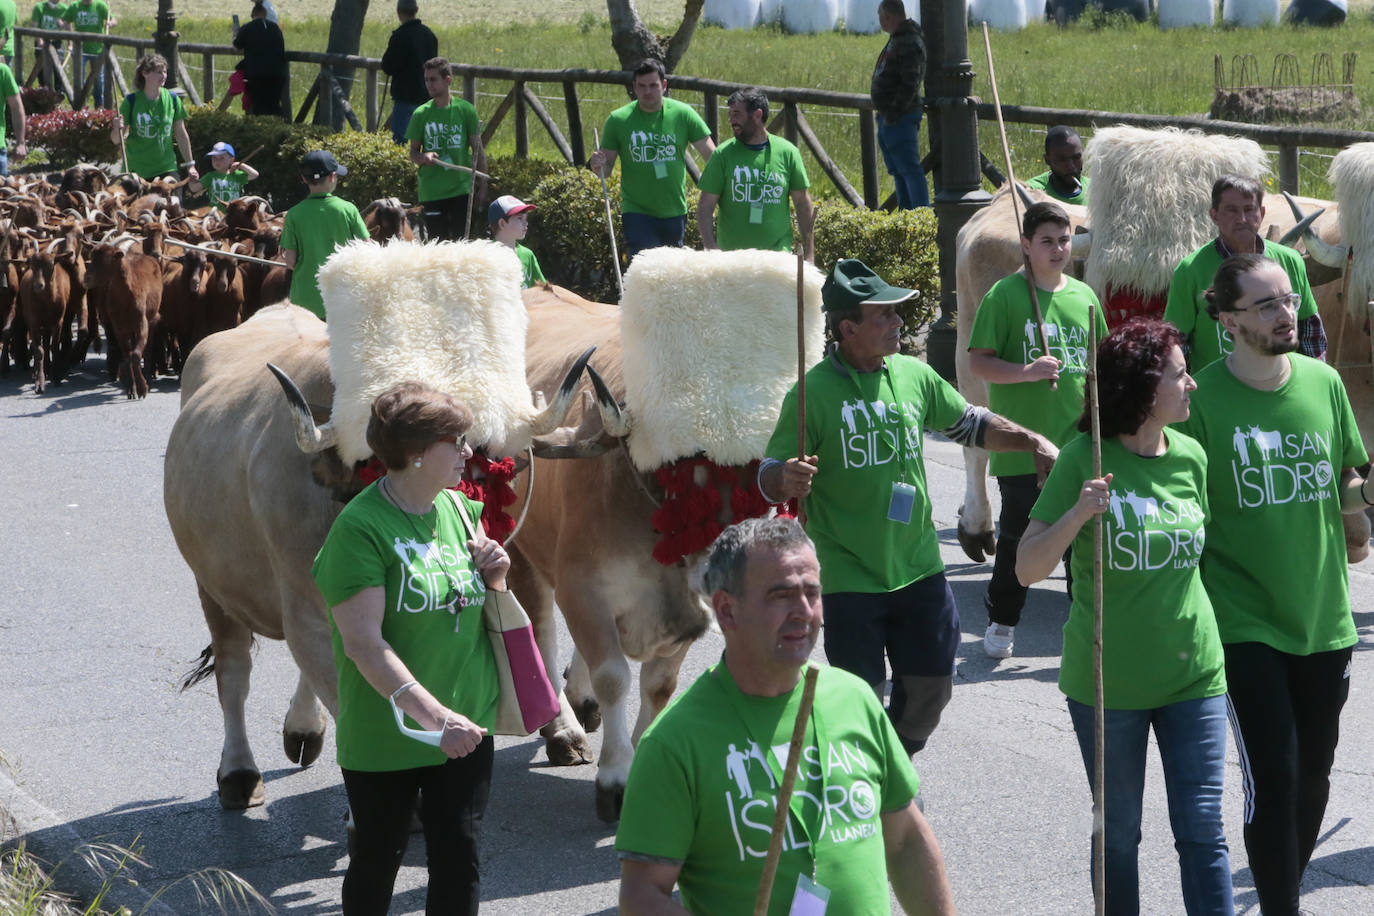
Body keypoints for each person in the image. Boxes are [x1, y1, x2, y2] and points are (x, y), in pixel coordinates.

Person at [759, 259, 1057, 755]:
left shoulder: (914, 374)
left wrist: (1035, 442)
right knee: (862, 698)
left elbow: (972, 424)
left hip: (919, 566)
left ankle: (890, 765)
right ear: (848, 327)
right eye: (886, 315)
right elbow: (768, 475)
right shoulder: (812, 394)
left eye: (899, 313)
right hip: (849, 574)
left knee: (934, 688)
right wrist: (783, 476)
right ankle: (868, 789)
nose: (900, 322)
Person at [616, 516, 957, 916]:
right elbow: (643, 898)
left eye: (811, 593)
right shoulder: (673, 743)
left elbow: (904, 840)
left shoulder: (854, 699)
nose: (803, 611)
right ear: (726, 610)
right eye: (780, 595)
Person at [1016, 318, 1232, 916]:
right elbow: (1026, 570)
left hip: (1196, 676)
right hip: (1108, 687)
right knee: (1118, 837)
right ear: (1142, 387)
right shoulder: (1083, 462)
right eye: (1179, 374)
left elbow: (1204, 561)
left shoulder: (1191, 456)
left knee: (1204, 831)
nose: (1192, 384)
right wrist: (1078, 515)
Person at [1176, 253, 1368, 916]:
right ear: (1227, 319)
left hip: (1324, 615)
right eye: (1266, 305)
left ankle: (1280, 881)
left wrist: (1362, 501)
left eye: (1288, 300)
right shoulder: (1197, 401)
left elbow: (1346, 475)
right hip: (1241, 619)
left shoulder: (1323, 382)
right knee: (1277, 778)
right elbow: (1180, 504)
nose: (1287, 314)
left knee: (1314, 778)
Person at [312, 381, 506, 916]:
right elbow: (364, 645)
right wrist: (435, 718)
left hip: (467, 725)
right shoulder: (360, 530)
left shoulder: (460, 511)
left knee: (458, 860)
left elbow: (476, 611)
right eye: (457, 441)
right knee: (378, 863)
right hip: (391, 732)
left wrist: (498, 578)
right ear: (417, 452)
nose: (469, 453)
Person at [967, 201, 1106, 659]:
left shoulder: (1084, 298)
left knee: (1081, 541)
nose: (1057, 249)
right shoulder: (1005, 295)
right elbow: (979, 361)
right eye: (1046, 241)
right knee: (1018, 538)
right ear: (1025, 245)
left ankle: (1084, 625)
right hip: (1022, 443)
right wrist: (1026, 371)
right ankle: (1003, 620)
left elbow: (1098, 364)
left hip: (1074, 443)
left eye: (1064, 240)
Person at [1164, 174, 1324, 371]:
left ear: (1262, 213)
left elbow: (1309, 328)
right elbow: (1176, 341)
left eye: (1249, 209)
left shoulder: (1290, 261)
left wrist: (1313, 377)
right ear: (1214, 215)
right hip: (1219, 394)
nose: (1242, 219)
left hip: (1280, 386)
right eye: (1231, 210)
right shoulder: (1190, 270)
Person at [587, 58, 714, 259]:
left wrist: (716, 191)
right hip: (637, 211)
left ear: (664, 85)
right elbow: (607, 167)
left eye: (653, 85)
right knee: (646, 267)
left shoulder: (683, 114)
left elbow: (712, 157)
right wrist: (597, 165)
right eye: (642, 86)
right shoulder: (618, 120)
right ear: (634, 88)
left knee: (672, 272)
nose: (647, 92)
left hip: (674, 209)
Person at [698, 87, 813, 260]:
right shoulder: (722, 155)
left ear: (758, 115)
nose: (731, 120)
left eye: (737, 114)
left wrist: (809, 253)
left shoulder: (788, 153)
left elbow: (802, 203)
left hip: (776, 261)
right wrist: (710, 247)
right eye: (730, 114)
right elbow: (706, 205)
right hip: (732, 260)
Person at [280, 149, 369, 320]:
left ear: (304, 179)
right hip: (343, 298)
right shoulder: (348, 209)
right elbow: (367, 249)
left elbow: (290, 262)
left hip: (304, 303)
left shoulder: (293, 214)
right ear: (332, 177)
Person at [407, 56, 487, 242]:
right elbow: (413, 153)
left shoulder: (465, 110)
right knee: (438, 244)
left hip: (461, 190)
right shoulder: (421, 114)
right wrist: (423, 157)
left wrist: (483, 185)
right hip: (432, 191)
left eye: (433, 79)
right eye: (426, 80)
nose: (429, 84)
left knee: (462, 243)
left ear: (447, 80)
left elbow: (478, 150)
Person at [871, 0, 927, 209]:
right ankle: (907, 214)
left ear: (889, 16)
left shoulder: (908, 41)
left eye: (881, 16)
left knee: (910, 171)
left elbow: (910, 81)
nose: (879, 21)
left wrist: (893, 113)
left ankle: (920, 217)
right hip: (891, 116)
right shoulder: (898, 38)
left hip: (900, 117)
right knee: (900, 171)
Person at [110, 54, 196, 182]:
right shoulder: (131, 101)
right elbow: (116, 140)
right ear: (145, 73)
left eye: (165, 72)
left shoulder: (173, 99)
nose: (164, 76)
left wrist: (191, 165)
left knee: (174, 201)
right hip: (137, 171)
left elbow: (181, 134)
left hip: (166, 168)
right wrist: (117, 128)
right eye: (158, 72)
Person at [381, 0, 437, 145]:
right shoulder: (429, 35)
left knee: (401, 142)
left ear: (398, 12)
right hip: (426, 95)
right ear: (416, 10)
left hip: (404, 96)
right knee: (426, 142)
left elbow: (387, 66)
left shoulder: (399, 36)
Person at [232, 0, 287, 119]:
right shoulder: (276, 28)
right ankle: (281, 129)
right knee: (274, 106)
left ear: (253, 15)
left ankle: (262, 133)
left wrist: (235, 34)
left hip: (257, 75)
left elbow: (237, 45)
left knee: (259, 109)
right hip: (278, 74)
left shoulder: (248, 27)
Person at [62, 0, 112, 108]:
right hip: (80, 50)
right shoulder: (75, 6)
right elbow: (65, 21)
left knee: (99, 79)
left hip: (98, 49)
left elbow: (113, 19)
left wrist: (110, 23)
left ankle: (99, 105)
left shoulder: (100, 5)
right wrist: (69, 36)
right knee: (79, 79)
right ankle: (80, 105)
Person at [489, 194, 544, 290]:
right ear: (502, 223)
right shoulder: (485, 255)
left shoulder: (527, 255)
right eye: (519, 218)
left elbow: (541, 290)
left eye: (526, 219)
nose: (525, 223)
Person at [1024, 126, 1088, 206]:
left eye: (1076, 157)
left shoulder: (1096, 191)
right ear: (1047, 160)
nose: (1071, 166)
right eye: (1062, 159)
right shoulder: (1030, 193)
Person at [202, 141, 258, 212]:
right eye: (214, 158)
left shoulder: (236, 175)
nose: (217, 161)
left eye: (221, 158)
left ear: (231, 160)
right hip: (215, 214)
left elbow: (255, 174)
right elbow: (194, 188)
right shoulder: (210, 176)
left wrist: (241, 165)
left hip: (233, 214)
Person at [31, 0, 71, 91]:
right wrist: (39, 40)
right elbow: (34, 26)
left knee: (58, 70)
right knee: (41, 70)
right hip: (42, 42)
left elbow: (69, 27)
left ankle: (59, 94)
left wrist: (70, 44)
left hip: (56, 43)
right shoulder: (39, 8)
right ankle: (44, 92)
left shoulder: (64, 9)